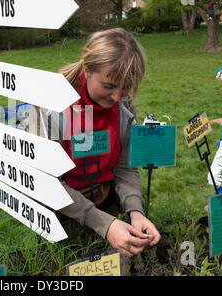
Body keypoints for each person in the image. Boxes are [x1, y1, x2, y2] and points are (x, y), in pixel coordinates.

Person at [28, 28, 161, 258]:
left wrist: (135, 211)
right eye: (109, 86)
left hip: (104, 202)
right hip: (58, 215)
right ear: (87, 70)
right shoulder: (50, 106)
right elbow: (46, 183)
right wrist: (104, 225)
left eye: (126, 87)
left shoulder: (124, 106)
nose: (118, 97)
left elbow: (124, 167)